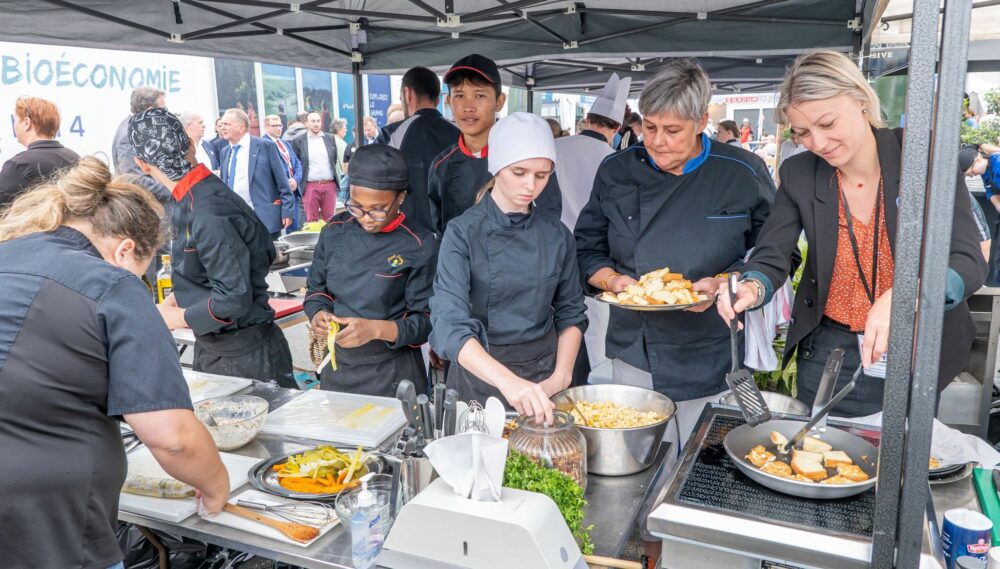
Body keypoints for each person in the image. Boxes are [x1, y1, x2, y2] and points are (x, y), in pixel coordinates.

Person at [717, 50, 986, 418]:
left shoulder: (921, 156)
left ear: (860, 99)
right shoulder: (799, 173)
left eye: (828, 123)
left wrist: (909, 294)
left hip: (912, 348)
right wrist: (752, 287)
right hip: (828, 351)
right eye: (803, 132)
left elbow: (967, 260)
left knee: (893, 465)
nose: (818, 142)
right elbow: (772, 253)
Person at [0, 156, 230, 569]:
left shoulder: (8, 252)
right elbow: (172, 437)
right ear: (125, 250)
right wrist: (215, 485)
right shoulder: (113, 284)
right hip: (52, 529)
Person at [575, 58, 775, 445]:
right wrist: (614, 281)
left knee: (703, 463)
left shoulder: (742, 172)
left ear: (702, 122)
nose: (656, 141)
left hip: (712, 348)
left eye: (672, 130)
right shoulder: (616, 171)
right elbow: (586, 248)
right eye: (649, 127)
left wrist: (723, 284)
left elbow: (774, 253)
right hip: (636, 349)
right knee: (640, 458)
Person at [430, 112, 587, 422]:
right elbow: (449, 323)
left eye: (542, 175)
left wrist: (561, 378)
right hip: (477, 380)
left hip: (543, 377)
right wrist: (509, 383)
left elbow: (571, 313)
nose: (530, 185)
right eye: (519, 172)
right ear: (497, 166)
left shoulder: (557, 235)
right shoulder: (463, 232)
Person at [130, 108, 296, 388]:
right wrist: (182, 298)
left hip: (243, 355)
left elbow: (233, 296)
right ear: (191, 144)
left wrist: (179, 316)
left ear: (142, 164)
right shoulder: (194, 195)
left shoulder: (208, 209)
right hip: (223, 348)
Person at [305, 144, 439, 396]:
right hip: (339, 368)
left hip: (394, 374)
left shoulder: (419, 243)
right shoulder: (335, 231)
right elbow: (316, 290)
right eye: (356, 206)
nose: (365, 217)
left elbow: (427, 321)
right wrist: (318, 314)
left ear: (400, 197)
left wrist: (376, 330)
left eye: (378, 209)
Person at [428, 53, 562, 235]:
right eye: (459, 95)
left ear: (499, 101)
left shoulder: (526, 159)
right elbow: (438, 229)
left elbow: (549, 221)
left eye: (479, 95)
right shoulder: (440, 166)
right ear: (449, 102)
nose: (468, 106)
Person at [554, 73, 632, 383]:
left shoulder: (555, 147)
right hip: (596, 267)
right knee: (596, 342)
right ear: (616, 128)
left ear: (587, 119)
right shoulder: (615, 160)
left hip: (554, 260)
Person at [376, 66, 462, 232]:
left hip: (405, 237)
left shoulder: (391, 134)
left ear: (407, 94)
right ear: (437, 99)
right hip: (452, 237)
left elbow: (375, 186)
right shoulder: (461, 135)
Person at [218, 108, 295, 238]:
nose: (222, 128)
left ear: (241, 127)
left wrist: (287, 211)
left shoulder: (266, 146)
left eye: (227, 124)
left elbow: (282, 181)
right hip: (236, 219)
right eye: (221, 124)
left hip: (263, 218)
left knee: (267, 257)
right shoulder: (225, 152)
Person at [0, 96, 79, 206]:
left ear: (27, 123)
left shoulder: (18, 165)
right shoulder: (75, 158)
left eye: (16, 120)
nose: (14, 125)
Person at [111, 86, 170, 211]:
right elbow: (134, 180)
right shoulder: (129, 136)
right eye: (163, 109)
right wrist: (172, 189)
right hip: (149, 212)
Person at [290, 111, 340, 223]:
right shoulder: (298, 140)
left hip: (329, 184)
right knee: (311, 220)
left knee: (330, 219)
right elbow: (296, 163)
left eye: (318, 121)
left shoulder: (330, 138)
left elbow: (334, 159)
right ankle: (314, 241)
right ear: (306, 123)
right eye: (313, 121)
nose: (316, 124)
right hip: (310, 185)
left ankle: (328, 240)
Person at [263, 114, 304, 230]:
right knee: (279, 229)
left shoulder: (285, 143)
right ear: (266, 127)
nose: (278, 128)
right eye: (274, 125)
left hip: (293, 191)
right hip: (277, 193)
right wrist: (286, 183)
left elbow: (297, 164)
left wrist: (296, 180)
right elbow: (267, 170)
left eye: (280, 125)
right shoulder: (263, 144)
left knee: (294, 228)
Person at [958, 144, 996, 262]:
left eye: (972, 172)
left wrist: (981, 145)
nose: (973, 176)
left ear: (977, 159)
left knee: (983, 233)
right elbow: (991, 192)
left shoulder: (996, 160)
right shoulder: (985, 174)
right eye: (969, 175)